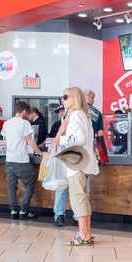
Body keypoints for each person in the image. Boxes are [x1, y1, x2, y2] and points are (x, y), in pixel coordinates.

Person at [60, 87, 99, 246]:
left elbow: (79, 138)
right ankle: (87, 234)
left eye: (65, 97)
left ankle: (84, 236)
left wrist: (63, 142)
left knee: (78, 199)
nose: (63, 100)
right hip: (86, 162)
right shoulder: (84, 115)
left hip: (77, 163)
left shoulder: (75, 115)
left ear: (74, 98)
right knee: (83, 198)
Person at [1, 101, 46, 220]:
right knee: (30, 185)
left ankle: (13, 210)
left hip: (9, 160)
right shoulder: (25, 123)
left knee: (12, 187)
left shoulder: (7, 123)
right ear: (25, 111)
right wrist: (40, 153)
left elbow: (4, 142)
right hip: (22, 160)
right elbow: (30, 141)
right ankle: (24, 211)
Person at [48, 103, 71, 226]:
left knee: (62, 187)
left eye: (62, 111)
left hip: (63, 158)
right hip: (73, 157)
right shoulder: (79, 121)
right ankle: (76, 217)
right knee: (74, 188)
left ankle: (59, 216)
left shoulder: (60, 125)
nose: (60, 113)